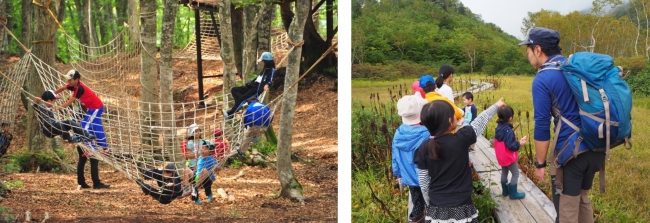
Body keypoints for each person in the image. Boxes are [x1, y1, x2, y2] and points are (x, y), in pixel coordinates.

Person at [520, 27, 603, 223]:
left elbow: (541, 126)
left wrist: (540, 164)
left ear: (538, 50)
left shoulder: (543, 78)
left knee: (566, 212)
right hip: (596, 146)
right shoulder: (574, 68)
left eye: (528, 50)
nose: (528, 54)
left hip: (570, 154)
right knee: (583, 200)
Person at [413, 98, 504, 222]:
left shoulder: (423, 148)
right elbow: (479, 122)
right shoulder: (461, 139)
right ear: (450, 120)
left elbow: (423, 183)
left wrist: (430, 203)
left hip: (437, 207)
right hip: (462, 205)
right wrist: (496, 106)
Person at [392, 94, 429, 222]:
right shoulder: (427, 133)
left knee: (417, 202)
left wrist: (397, 174)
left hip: (408, 177)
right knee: (430, 203)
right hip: (427, 178)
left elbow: (395, 156)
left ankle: (416, 218)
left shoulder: (398, 132)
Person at [54, 70, 108, 153]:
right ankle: (105, 148)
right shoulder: (74, 85)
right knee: (96, 127)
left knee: (83, 127)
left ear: (77, 80)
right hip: (93, 108)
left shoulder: (79, 88)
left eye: (70, 80)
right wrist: (52, 93)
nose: (68, 82)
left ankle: (92, 149)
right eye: (68, 80)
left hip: (96, 108)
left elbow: (70, 102)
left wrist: (58, 108)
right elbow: (63, 88)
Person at [224, 52, 276, 119]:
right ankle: (245, 103)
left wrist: (267, 85)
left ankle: (230, 114)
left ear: (266, 62)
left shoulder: (272, 70)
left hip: (256, 89)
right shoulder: (265, 69)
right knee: (234, 90)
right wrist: (248, 84)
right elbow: (258, 78)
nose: (262, 63)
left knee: (242, 99)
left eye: (262, 61)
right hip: (251, 86)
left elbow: (270, 79)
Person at [494, 105, 528, 200]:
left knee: (504, 172)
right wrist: (520, 143)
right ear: (510, 118)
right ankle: (513, 193)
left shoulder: (498, 128)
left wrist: (517, 141)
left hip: (501, 156)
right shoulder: (508, 130)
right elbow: (511, 146)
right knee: (515, 173)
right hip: (508, 157)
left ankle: (505, 191)